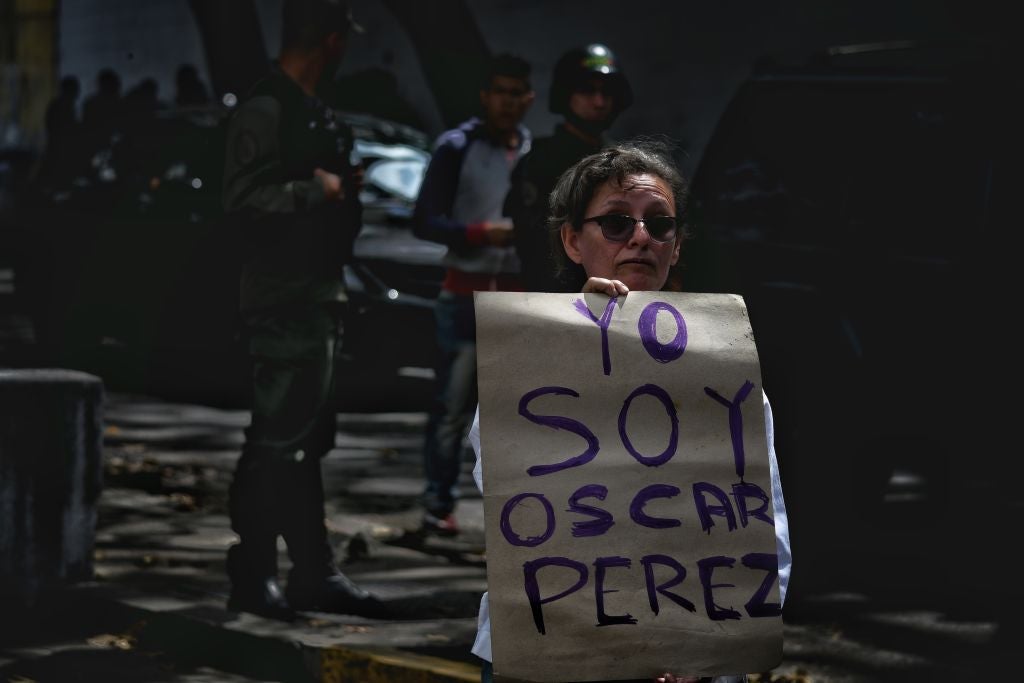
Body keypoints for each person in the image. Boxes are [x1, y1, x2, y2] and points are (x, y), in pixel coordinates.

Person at [470, 139, 792, 683]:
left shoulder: (726, 379)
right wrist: (576, 344)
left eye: (659, 224)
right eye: (616, 223)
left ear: (677, 244)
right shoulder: (529, 365)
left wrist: (707, 647)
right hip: (548, 653)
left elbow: (765, 533)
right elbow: (502, 483)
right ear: (573, 241)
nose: (641, 238)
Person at [221, 0, 384, 622]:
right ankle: (254, 569)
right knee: (277, 440)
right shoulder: (268, 107)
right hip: (281, 296)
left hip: (316, 291)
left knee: (306, 440)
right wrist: (320, 189)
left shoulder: (307, 108)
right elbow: (241, 199)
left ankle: (312, 572)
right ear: (332, 41)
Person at [412, 53, 535, 537]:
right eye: (499, 91)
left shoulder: (529, 149)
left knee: (513, 411)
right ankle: (437, 502)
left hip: (516, 298)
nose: (508, 102)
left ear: (529, 98)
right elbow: (424, 220)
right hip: (464, 294)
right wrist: (481, 233)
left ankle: (511, 513)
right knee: (451, 408)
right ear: (485, 96)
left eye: (516, 92)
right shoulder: (455, 147)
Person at [505, 42, 633, 294]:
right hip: (555, 300)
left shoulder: (621, 160)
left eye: (607, 93)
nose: (599, 102)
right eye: (588, 91)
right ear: (566, 95)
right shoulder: (540, 161)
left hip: (617, 294)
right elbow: (534, 246)